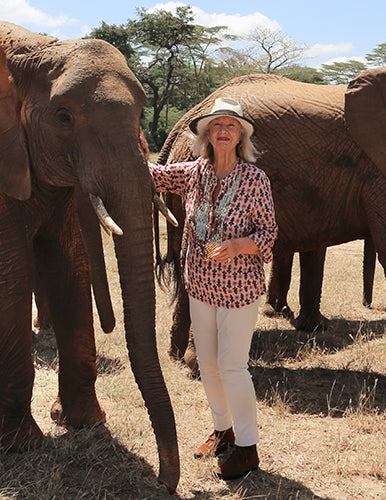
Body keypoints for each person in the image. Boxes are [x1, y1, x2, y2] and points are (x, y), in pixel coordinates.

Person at [142, 97, 277, 480]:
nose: (223, 131)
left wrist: (238, 245)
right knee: (209, 364)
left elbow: (269, 234)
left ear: (241, 135)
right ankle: (223, 432)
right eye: (216, 125)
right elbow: (153, 175)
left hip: (238, 290)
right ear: (205, 135)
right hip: (200, 285)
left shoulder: (254, 180)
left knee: (233, 367)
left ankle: (248, 449)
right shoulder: (193, 173)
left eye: (231, 125)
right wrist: (137, 149)